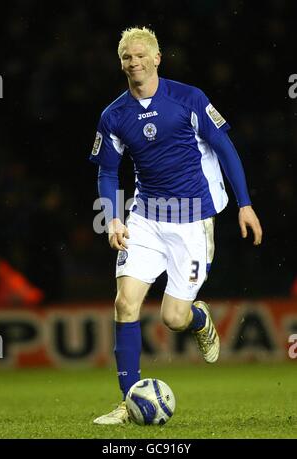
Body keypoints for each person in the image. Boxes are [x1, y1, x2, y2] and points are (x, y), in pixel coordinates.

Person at [89, 27, 262, 424]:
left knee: (173, 318)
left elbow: (225, 149)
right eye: (125, 57)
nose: (132, 62)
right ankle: (127, 401)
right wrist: (113, 216)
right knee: (124, 303)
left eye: (138, 55)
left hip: (191, 221)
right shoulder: (113, 115)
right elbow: (107, 172)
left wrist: (245, 204)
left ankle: (199, 319)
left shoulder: (188, 98)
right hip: (146, 217)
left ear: (156, 58)